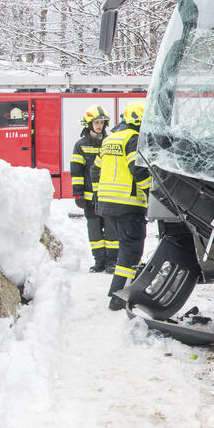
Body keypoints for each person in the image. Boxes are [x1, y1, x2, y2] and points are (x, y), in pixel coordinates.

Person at [91, 101, 151, 311]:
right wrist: (153, 195)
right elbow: (139, 172)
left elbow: (94, 170)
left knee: (126, 249)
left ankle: (116, 291)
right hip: (128, 204)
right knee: (131, 251)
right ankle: (118, 298)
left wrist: (99, 196)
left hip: (109, 205)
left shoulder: (110, 138)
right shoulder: (133, 139)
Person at [70, 105, 118, 273]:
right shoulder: (80, 145)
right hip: (90, 199)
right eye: (96, 122)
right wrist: (78, 194)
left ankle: (113, 261)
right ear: (88, 124)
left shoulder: (110, 142)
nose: (99, 126)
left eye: (102, 122)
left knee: (112, 230)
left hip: (107, 196)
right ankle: (100, 261)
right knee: (95, 231)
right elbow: (76, 171)